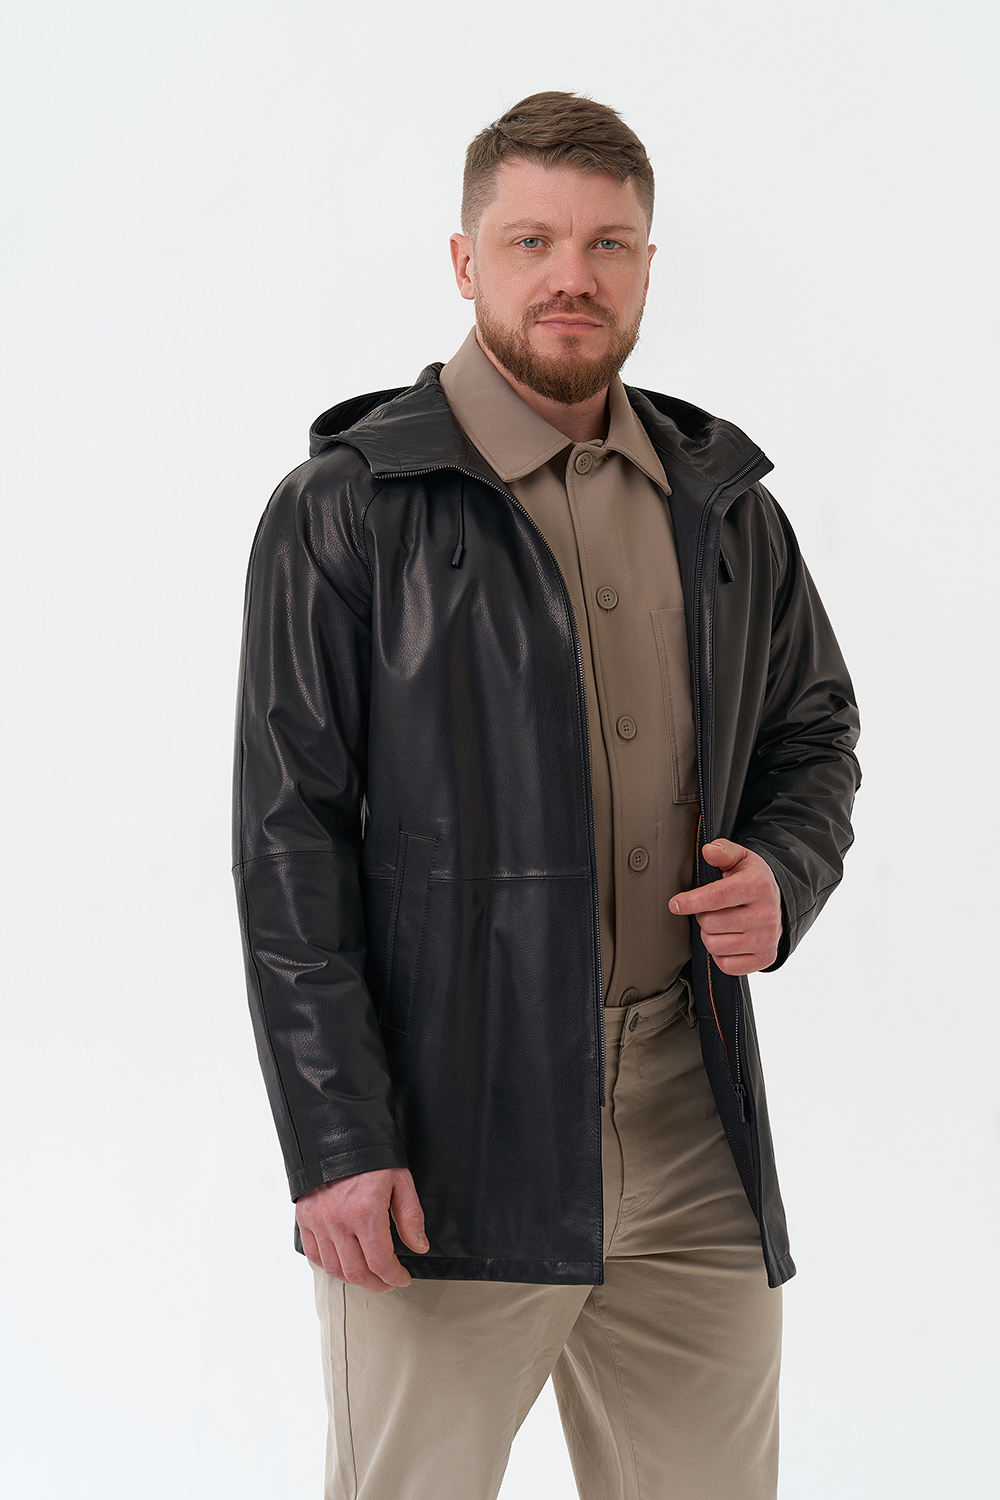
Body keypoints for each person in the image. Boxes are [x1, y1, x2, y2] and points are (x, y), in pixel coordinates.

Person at [232, 91, 861, 1500]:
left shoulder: (724, 504)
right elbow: (287, 845)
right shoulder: (346, 509)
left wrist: (784, 867)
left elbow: (816, 730)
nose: (571, 275)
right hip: (449, 1131)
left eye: (607, 244)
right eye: (531, 241)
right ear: (466, 262)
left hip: (693, 1116)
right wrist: (338, 1138)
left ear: (646, 266)